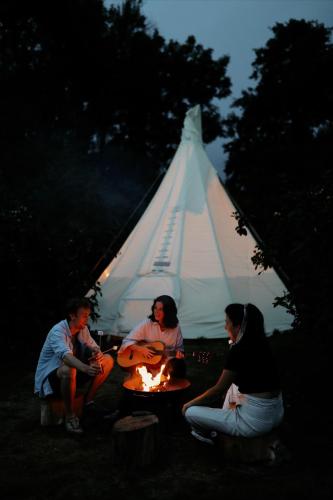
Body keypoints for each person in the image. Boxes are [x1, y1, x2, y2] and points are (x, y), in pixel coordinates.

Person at [182, 303, 284, 444]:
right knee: (233, 386)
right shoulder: (263, 344)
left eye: (227, 322)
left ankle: (210, 434)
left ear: (238, 326)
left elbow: (218, 390)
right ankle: (226, 419)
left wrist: (190, 404)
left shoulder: (239, 350)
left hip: (253, 424)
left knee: (191, 413)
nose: (225, 327)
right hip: (276, 414)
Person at [34, 298, 114, 434]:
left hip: (74, 374)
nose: (86, 319)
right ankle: (70, 417)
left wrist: (97, 353)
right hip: (52, 379)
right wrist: (86, 368)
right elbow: (66, 357)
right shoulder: (58, 331)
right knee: (68, 368)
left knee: (108, 360)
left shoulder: (82, 329)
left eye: (87, 316)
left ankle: (88, 402)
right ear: (72, 315)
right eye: (84, 316)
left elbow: (94, 346)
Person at [118, 295, 185, 376]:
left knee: (179, 367)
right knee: (140, 369)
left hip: (167, 362)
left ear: (168, 311)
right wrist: (141, 349)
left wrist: (179, 354)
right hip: (147, 363)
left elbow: (179, 348)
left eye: (161, 309)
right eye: (155, 308)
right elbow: (126, 341)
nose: (156, 312)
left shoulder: (176, 327)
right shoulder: (147, 324)